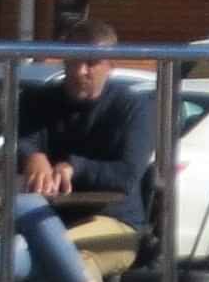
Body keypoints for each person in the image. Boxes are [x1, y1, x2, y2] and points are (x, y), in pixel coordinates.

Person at [8, 144, 160, 282]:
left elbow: (128, 174)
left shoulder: (131, 111)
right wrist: (32, 157)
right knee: (43, 241)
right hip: (35, 225)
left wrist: (61, 164)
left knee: (41, 235)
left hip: (113, 223)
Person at [17, 23, 156, 229]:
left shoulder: (133, 107)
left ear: (111, 65)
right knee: (18, 248)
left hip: (112, 220)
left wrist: (74, 167)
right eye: (74, 60)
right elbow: (25, 140)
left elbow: (127, 174)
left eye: (91, 63)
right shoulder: (38, 100)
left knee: (55, 255)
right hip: (47, 216)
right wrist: (33, 157)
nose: (80, 71)